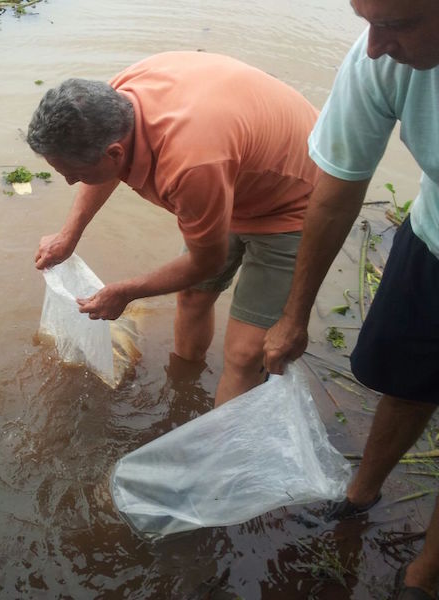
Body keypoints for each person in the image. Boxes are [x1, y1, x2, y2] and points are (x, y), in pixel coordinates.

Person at [262, 1, 439, 598]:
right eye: (367, 21)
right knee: (405, 383)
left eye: (397, 24)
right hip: (434, 243)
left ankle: (424, 572)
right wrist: (294, 317)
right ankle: (362, 492)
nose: (373, 45)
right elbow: (336, 195)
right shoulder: (382, 61)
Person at [27, 51, 319, 405]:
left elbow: (205, 262)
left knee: (245, 354)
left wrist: (127, 291)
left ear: (115, 154)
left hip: (296, 195)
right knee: (193, 295)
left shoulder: (190, 163)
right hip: (235, 170)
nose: (72, 182)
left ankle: (216, 453)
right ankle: (185, 388)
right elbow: (101, 167)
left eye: (75, 174)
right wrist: (68, 235)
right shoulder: (114, 101)